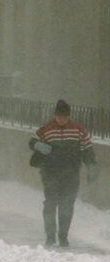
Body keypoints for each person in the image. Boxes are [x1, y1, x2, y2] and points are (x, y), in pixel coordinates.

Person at [29, 99, 98, 248]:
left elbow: (87, 149)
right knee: (50, 204)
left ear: (69, 116)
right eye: (59, 116)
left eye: (65, 116)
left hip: (71, 174)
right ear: (55, 115)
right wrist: (38, 145)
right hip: (50, 173)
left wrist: (91, 165)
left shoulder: (79, 130)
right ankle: (50, 236)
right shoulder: (46, 129)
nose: (62, 119)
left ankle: (63, 237)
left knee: (67, 205)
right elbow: (32, 141)